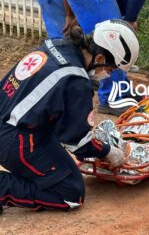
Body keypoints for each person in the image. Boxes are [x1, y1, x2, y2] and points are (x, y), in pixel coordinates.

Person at [0, 19, 139, 213]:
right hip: (15, 140)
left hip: (10, 118)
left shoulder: (56, 45)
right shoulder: (76, 81)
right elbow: (78, 142)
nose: (107, 74)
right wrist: (107, 151)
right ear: (99, 59)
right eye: (110, 69)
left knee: (57, 161)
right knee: (70, 193)